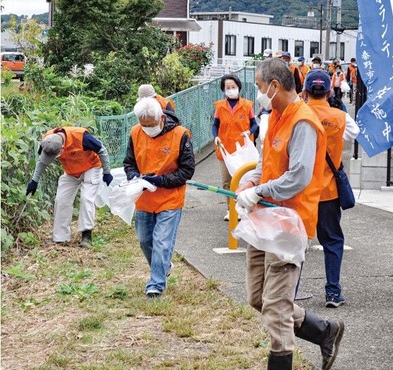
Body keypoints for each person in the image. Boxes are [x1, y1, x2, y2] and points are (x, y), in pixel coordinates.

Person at [236, 58, 344, 370]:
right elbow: (266, 164)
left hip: (289, 222)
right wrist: (248, 184)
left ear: (275, 86)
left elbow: (298, 177)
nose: (257, 93)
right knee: (259, 298)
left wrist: (259, 192)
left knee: (277, 305)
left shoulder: (303, 122)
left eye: (258, 87)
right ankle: (324, 330)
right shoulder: (276, 117)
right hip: (265, 217)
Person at [123, 97, 195, 298]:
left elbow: (187, 171)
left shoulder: (180, 135)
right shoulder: (136, 133)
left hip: (170, 198)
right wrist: (133, 177)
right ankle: (163, 266)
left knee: (162, 241)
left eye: (151, 125)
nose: (147, 129)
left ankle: (155, 285)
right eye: (144, 125)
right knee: (145, 240)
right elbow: (129, 163)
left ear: (161, 118)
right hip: (144, 198)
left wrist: (160, 181)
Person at [304, 69, 360, 307]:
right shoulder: (340, 117)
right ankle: (333, 292)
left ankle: (290, 291)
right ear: (328, 92)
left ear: (305, 91)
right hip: (328, 191)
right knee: (333, 241)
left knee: (294, 242)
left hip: (301, 190)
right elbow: (353, 133)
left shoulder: (297, 113)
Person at [26, 127, 114, 247]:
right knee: (61, 199)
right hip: (71, 171)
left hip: (91, 167)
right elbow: (42, 162)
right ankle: (60, 238)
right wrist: (34, 181)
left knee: (86, 198)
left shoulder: (82, 138)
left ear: (62, 148)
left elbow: (102, 150)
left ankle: (86, 235)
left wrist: (107, 172)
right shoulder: (48, 141)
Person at [212, 74, 257, 221]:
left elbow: (254, 124)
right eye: (228, 87)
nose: (231, 90)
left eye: (233, 87)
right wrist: (216, 136)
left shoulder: (247, 105)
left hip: (242, 150)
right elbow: (215, 125)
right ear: (223, 89)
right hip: (224, 149)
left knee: (244, 180)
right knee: (227, 181)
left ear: (238, 87)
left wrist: (249, 132)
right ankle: (231, 209)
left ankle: (245, 207)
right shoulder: (220, 106)